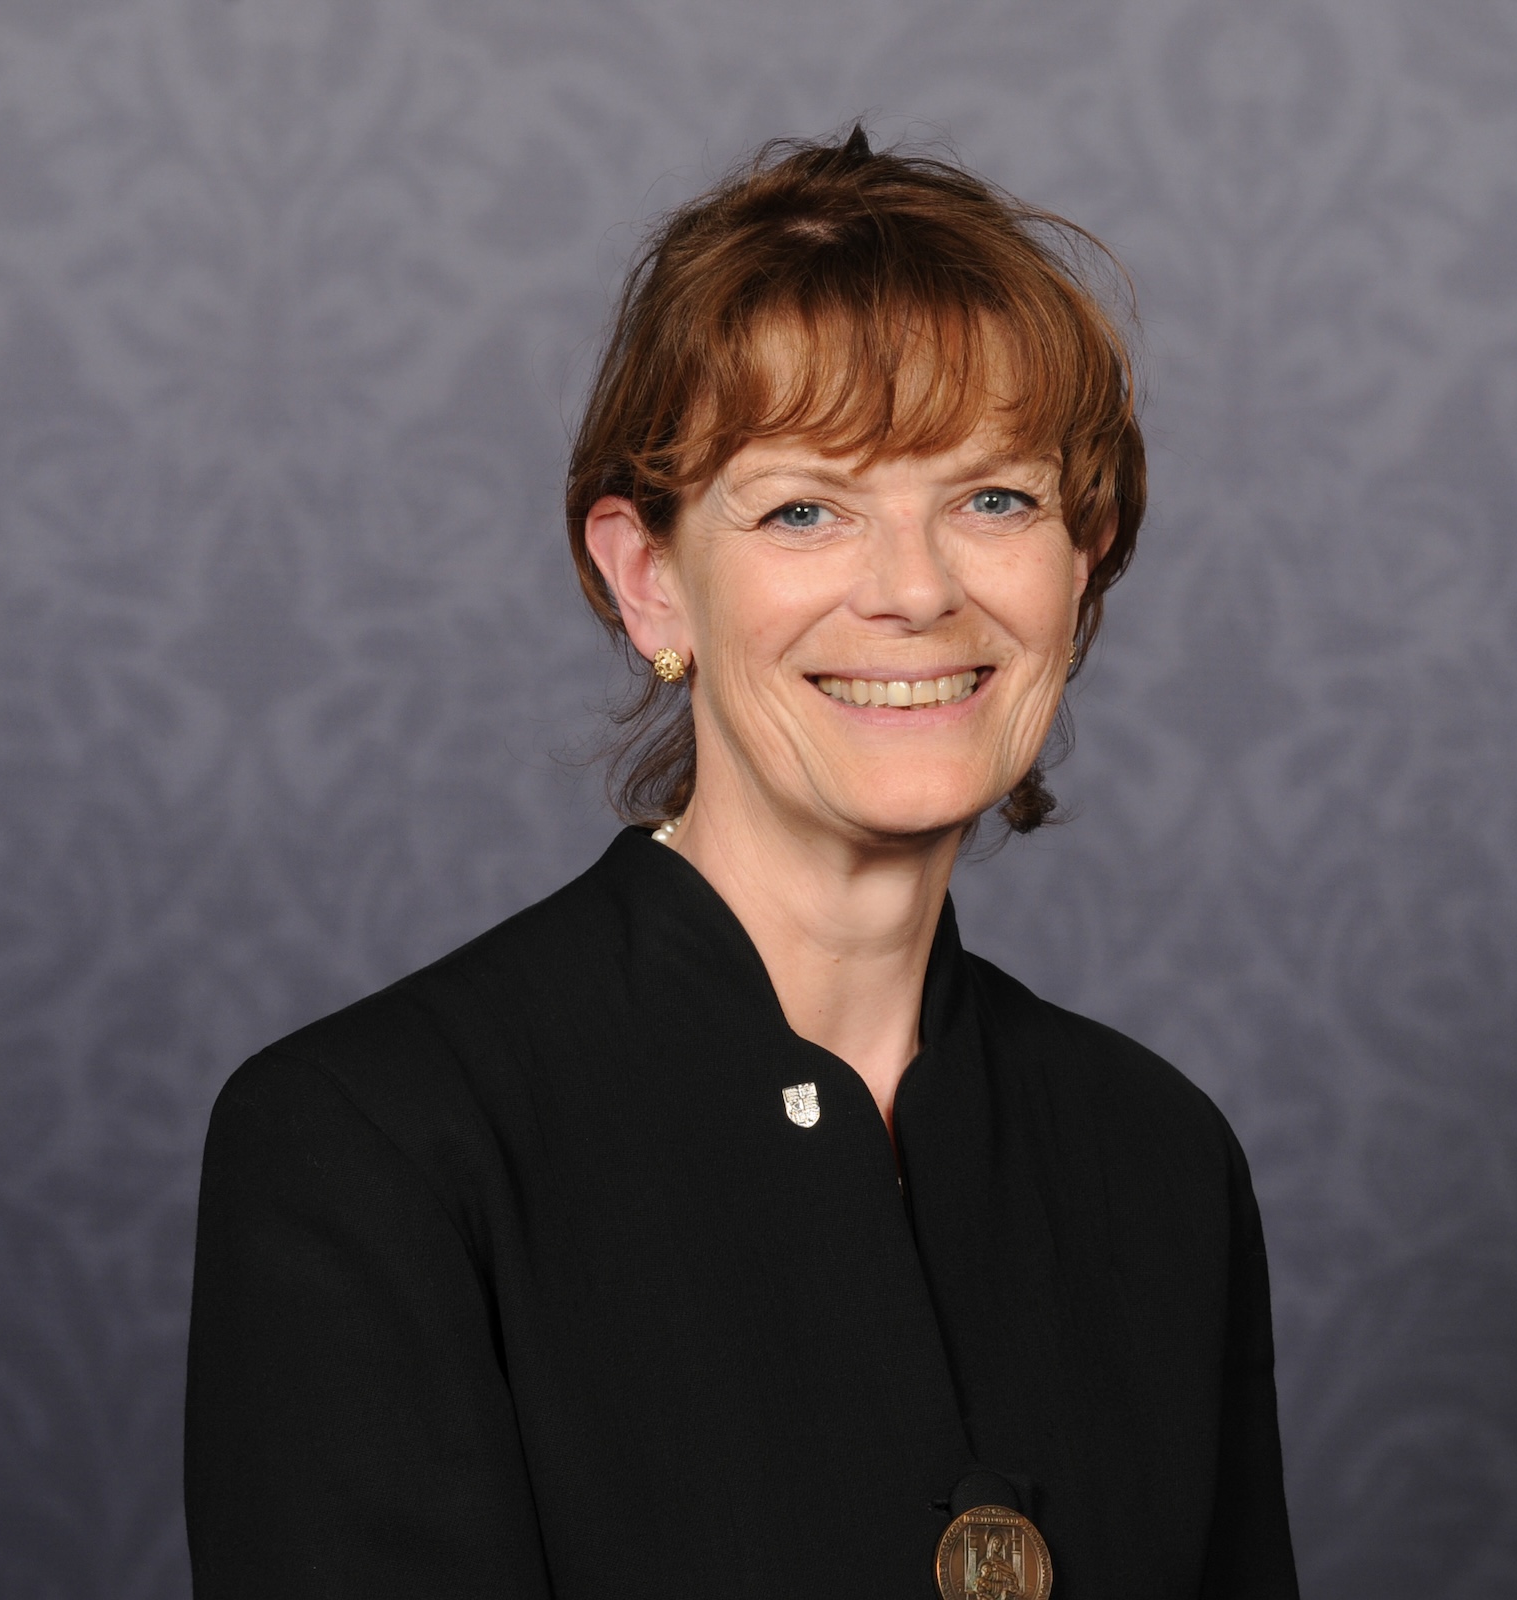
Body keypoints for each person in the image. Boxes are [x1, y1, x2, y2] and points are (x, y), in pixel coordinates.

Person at [184, 127, 1298, 1600]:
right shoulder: (374, 1145)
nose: (914, 590)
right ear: (650, 578)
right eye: (803, 510)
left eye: (995, 499)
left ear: (1079, 562)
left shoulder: (1157, 1159)